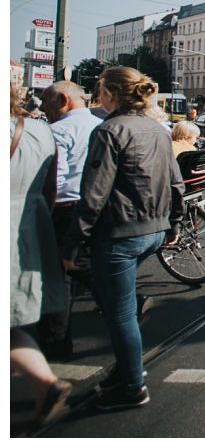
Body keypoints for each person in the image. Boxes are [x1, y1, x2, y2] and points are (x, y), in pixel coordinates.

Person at [62, 67, 185, 411]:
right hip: (153, 232)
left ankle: (132, 387)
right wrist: (173, 224)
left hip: (120, 234)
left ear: (110, 94)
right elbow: (176, 183)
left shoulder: (109, 130)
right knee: (119, 303)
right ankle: (126, 368)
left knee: (120, 316)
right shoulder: (157, 130)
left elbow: (94, 194)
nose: (97, 94)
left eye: (99, 89)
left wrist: (73, 243)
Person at [11, 82, 74, 433]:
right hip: (32, 218)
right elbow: (51, 186)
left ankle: (43, 380)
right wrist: (41, 219)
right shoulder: (39, 129)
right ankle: (43, 380)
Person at [34, 81, 104, 360]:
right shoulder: (101, 125)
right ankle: (124, 302)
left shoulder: (57, 130)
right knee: (82, 262)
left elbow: (54, 181)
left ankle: (55, 340)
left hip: (64, 208)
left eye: (45, 101)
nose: (41, 108)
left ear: (63, 99)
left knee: (58, 273)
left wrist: (45, 212)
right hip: (96, 206)